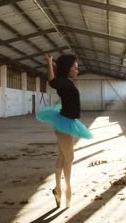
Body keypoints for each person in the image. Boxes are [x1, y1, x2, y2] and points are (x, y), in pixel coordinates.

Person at [35, 54, 93, 208]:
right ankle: (66, 188)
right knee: (70, 156)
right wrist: (49, 63)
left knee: (63, 156)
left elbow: (58, 77)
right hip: (64, 123)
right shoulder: (63, 83)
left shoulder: (67, 81)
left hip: (68, 121)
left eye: (77, 68)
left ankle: (57, 189)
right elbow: (52, 81)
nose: (77, 70)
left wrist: (55, 66)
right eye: (75, 67)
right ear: (68, 68)